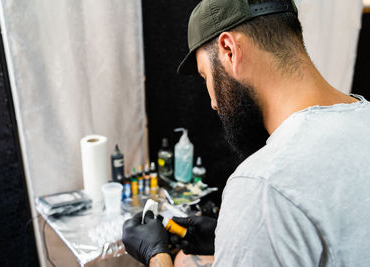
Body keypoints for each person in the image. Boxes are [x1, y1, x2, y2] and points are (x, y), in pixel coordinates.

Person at [122, 0, 370, 266]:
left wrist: (155, 256)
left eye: (206, 76)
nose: (213, 103)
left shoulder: (264, 184)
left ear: (229, 50)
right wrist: (230, 237)